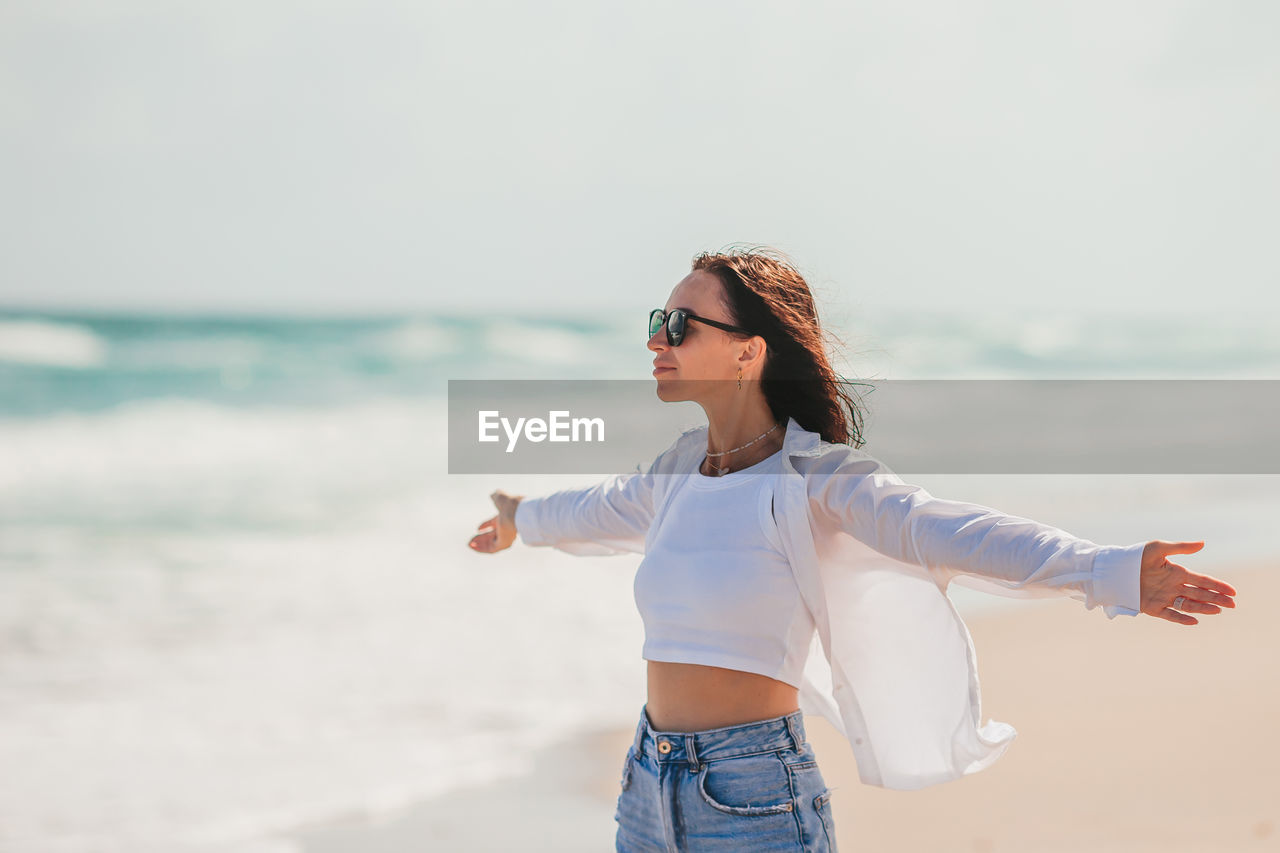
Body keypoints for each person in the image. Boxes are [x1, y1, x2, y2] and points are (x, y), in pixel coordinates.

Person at [467, 247, 1239, 852]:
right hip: (646, 781)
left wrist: (1108, 569)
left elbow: (950, 528)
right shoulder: (675, 474)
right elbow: (589, 512)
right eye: (656, 320)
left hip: (749, 792)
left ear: (748, 352)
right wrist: (517, 516)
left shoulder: (815, 480)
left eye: (679, 325)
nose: (654, 340)